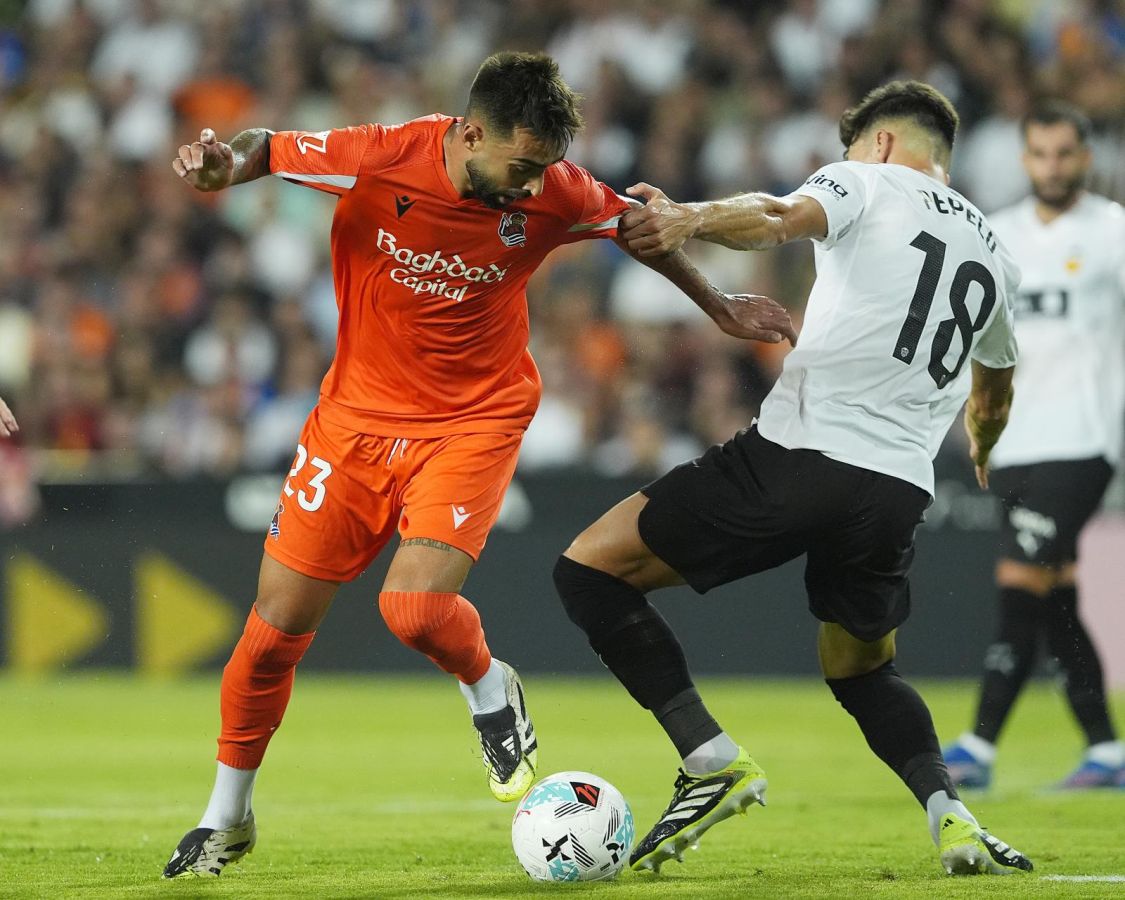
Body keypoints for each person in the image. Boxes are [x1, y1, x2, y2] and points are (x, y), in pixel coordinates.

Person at [161, 51, 795, 879]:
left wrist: (719, 306)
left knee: (416, 613)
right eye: (521, 166)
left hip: (473, 419)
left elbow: (642, 232)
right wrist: (221, 168)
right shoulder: (383, 154)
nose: (535, 188)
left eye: (544, 169)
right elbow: (267, 146)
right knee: (271, 634)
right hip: (351, 422)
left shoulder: (558, 187)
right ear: (469, 132)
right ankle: (227, 819)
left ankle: (490, 687)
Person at [552, 80, 1037, 876]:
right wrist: (982, 445)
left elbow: (779, 216)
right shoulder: (996, 254)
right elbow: (994, 387)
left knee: (588, 569)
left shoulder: (866, 179)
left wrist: (688, 217)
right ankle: (951, 818)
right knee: (864, 669)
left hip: (801, 456)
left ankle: (709, 757)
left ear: (878, 142)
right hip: (896, 492)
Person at [942, 102, 1125, 791]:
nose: (1052, 167)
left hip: (1082, 439)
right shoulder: (998, 235)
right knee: (1055, 597)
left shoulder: (1111, 232)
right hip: (1011, 443)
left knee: (1020, 582)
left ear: (1086, 156)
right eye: (1040, 154)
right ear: (1023, 159)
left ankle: (977, 746)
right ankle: (1106, 749)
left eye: (1064, 154)